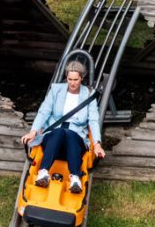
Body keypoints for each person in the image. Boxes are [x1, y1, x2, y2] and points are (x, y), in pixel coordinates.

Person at [21, 53, 105, 194]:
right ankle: (43, 173)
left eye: (76, 80)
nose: (72, 83)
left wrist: (97, 144)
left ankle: (75, 179)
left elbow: (94, 120)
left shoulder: (89, 95)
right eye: (69, 79)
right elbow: (44, 112)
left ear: (81, 78)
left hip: (75, 141)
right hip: (53, 138)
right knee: (60, 131)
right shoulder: (56, 90)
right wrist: (33, 131)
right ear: (66, 77)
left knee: (70, 133)